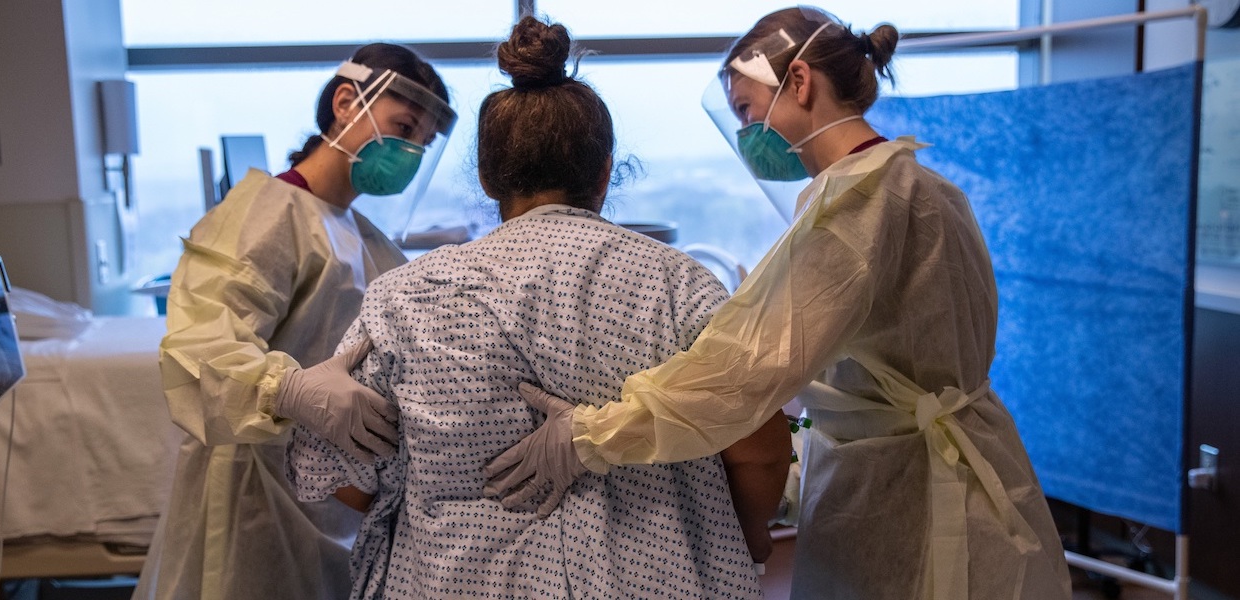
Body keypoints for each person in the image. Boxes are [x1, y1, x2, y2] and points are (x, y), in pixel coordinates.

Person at [484, 7, 1073, 599]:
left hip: (907, 491)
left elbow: (744, 374)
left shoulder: (856, 206)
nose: (747, 133)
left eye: (746, 110)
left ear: (799, 82)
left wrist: (591, 435)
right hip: (959, 466)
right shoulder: (921, 186)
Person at [284, 16, 789, 599]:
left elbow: (345, 476)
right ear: (603, 174)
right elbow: (760, 451)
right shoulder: (682, 287)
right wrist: (744, 539)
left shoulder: (405, 297)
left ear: (487, 177)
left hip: (450, 582)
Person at [132, 43, 456, 600]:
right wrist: (290, 390)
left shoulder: (359, 234)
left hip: (332, 495)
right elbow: (201, 347)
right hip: (256, 492)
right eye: (404, 127)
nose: (409, 152)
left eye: (422, 144)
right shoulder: (266, 213)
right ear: (347, 102)